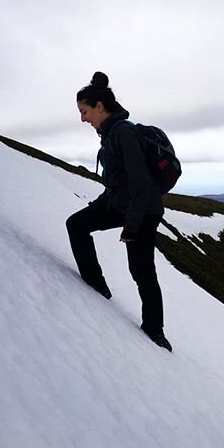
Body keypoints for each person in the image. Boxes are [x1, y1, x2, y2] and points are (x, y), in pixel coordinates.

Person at [66, 72, 172, 352]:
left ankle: (155, 332)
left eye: (84, 111)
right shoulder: (110, 133)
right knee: (76, 225)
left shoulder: (123, 132)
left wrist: (133, 227)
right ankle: (96, 284)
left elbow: (141, 186)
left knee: (141, 271)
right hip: (120, 203)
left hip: (143, 212)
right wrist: (101, 206)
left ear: (100, 107)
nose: (83, 118)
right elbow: (119, 180)